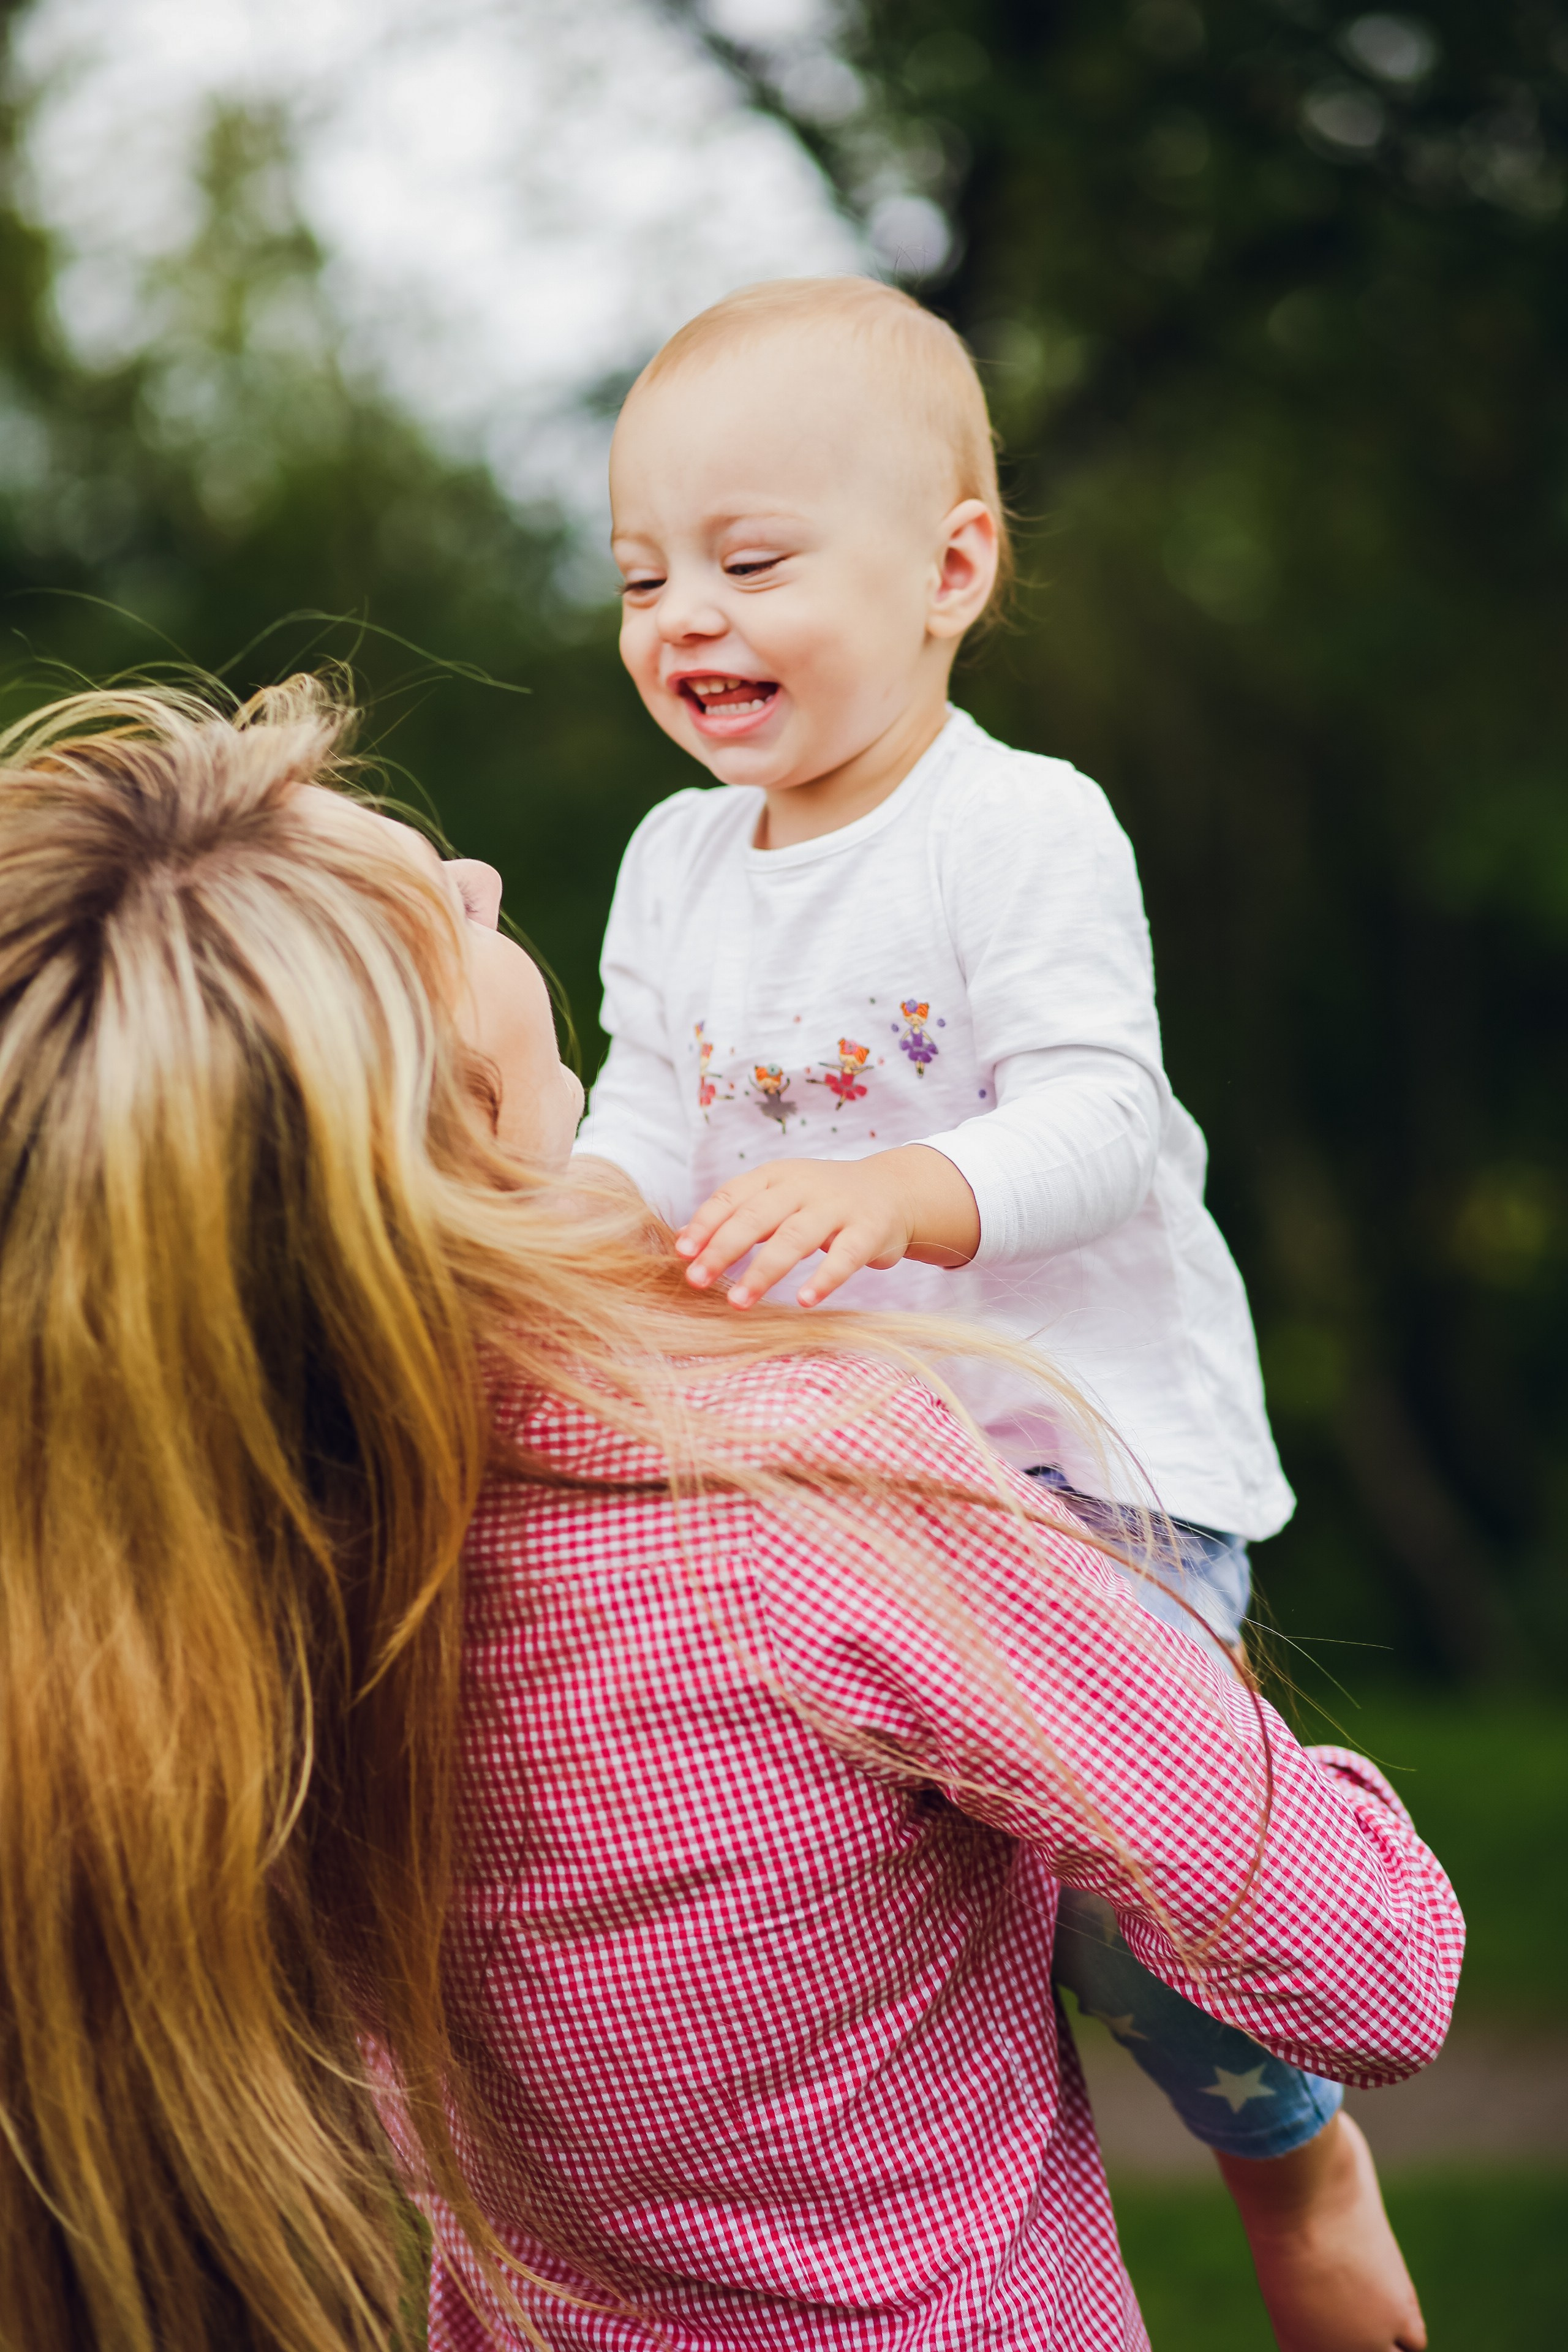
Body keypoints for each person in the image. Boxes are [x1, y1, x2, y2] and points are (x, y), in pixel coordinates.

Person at [0, 680, 1457, 2352]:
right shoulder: (812, 1488)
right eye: (438, 901)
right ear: (457, 1111)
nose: (488, 889)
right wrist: (1152, 1655)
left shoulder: (207, 1631)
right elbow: (1375, 1967)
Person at [576, 274, 1416, 2346]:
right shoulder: (676, 863)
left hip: (1088, 1460)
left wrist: (897, 1191)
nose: (686, 614)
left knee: (1142, 1912)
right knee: (888, 1910)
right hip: (860, 1492)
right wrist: (544, 1251)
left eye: (751, 561)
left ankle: (1293, 2163)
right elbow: (642, 1127)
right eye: (639, 575)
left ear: (952, 569)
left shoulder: (1016, 826)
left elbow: (1109, 1122)